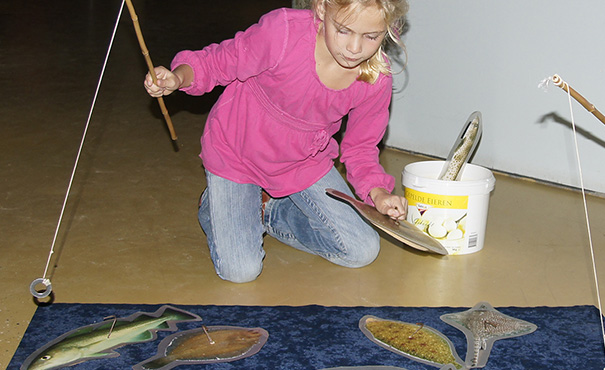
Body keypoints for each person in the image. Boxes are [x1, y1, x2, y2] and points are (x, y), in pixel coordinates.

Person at [144, 0, 409, 283]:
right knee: (241, 271)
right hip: (237, 154)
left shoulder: (375, 79)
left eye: (371, 36)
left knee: (361, 249)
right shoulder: (282, 32)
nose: (355, 48)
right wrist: (178, 77)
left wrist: (378, 193)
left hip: (305, 162)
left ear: (388, 30)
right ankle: (217, 206)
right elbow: (219, 62)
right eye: (343, 30)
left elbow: (361, 148)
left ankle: (265, 209)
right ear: (321, 9)